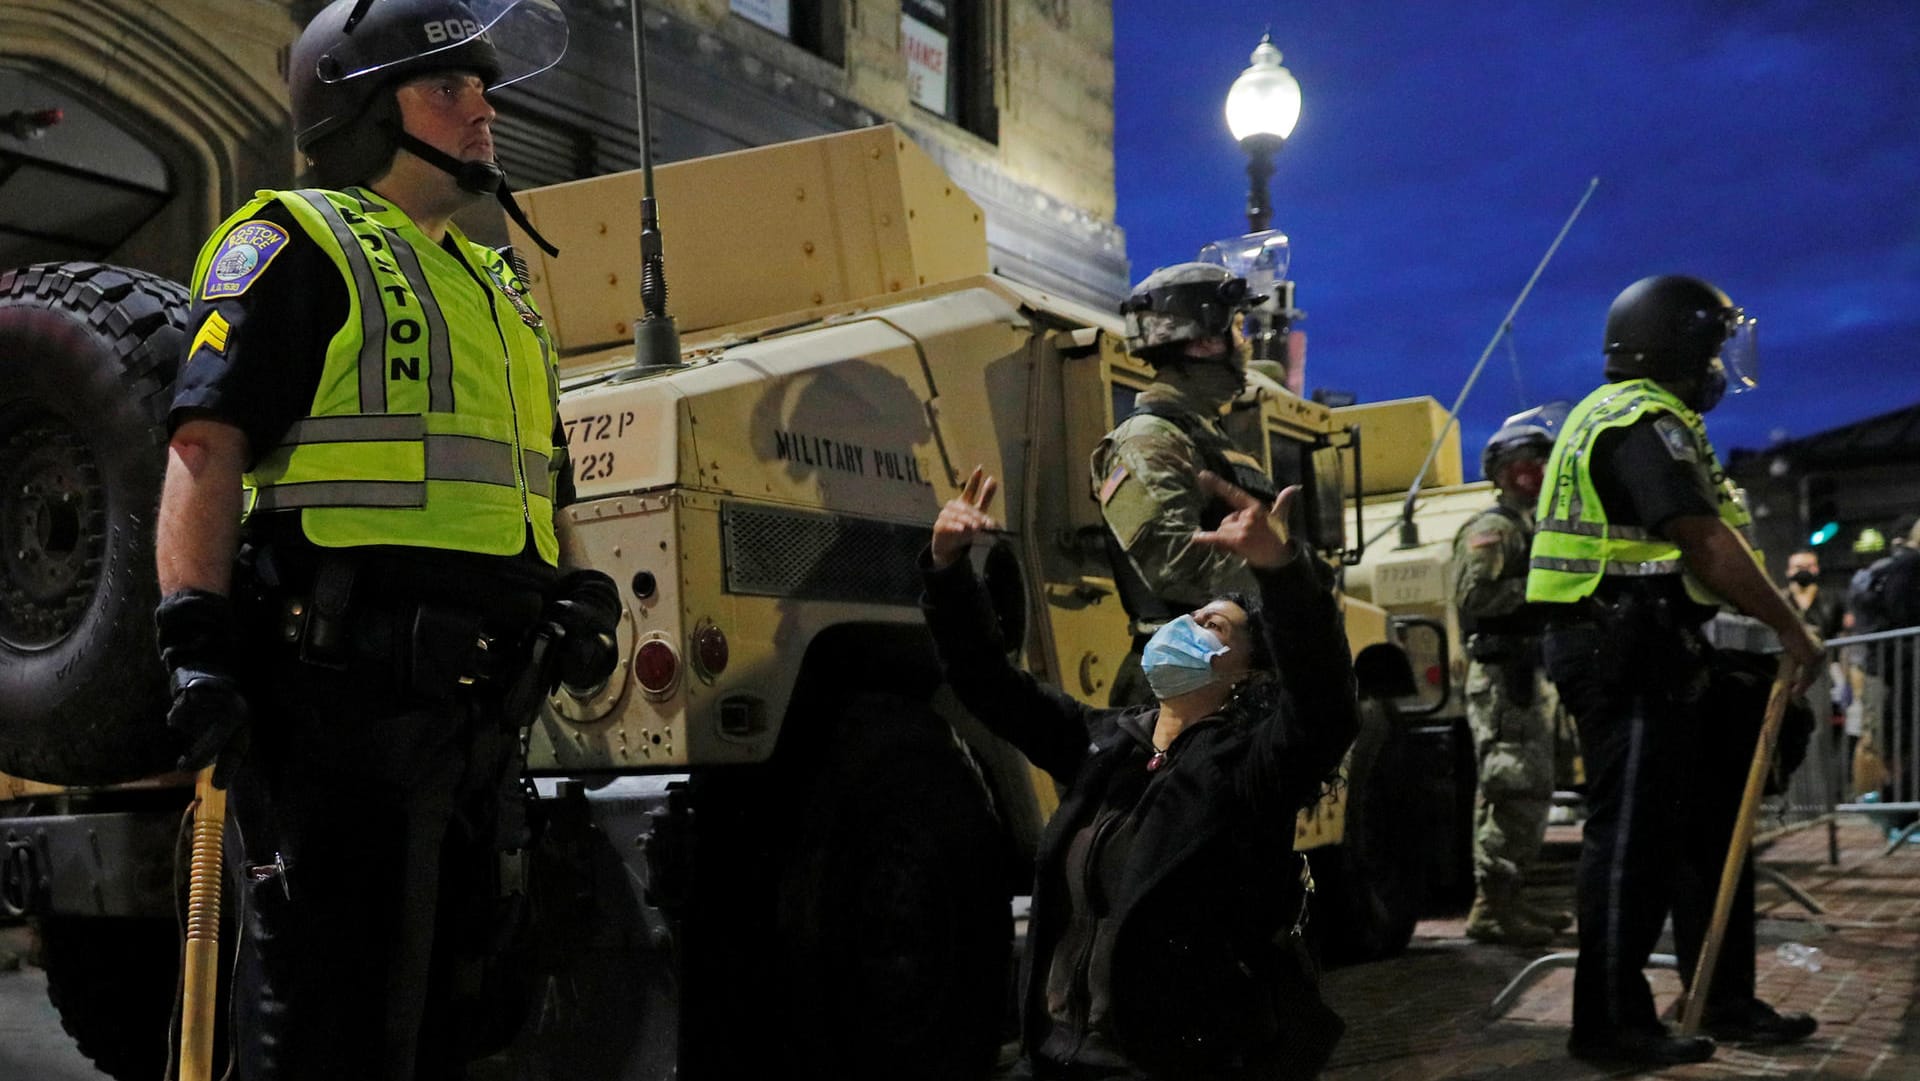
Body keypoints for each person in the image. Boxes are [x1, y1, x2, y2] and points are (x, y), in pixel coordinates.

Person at [152, 2, 618, 1077]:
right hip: (341, 716)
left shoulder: (497, 287)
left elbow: (547, 479)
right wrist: (193, 640)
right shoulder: (292, 246)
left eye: (483, 88)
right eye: (449, 88)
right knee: (336, 1031)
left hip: (481, 725)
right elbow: (205, 449)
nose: (483, 111)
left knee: (461, 1020)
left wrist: (582, 592)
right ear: (363, 111)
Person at [927, 467, 1357, 1081]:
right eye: (1187, 618)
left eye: (1211, 625)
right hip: (1052, 1059)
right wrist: (947, 571)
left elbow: (1325, 701)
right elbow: (984, 680)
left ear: (1250, 676)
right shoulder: (1101, 744)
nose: (1185, 628)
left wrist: (1280, 571)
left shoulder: (1250, 770)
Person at [1527, 274, 1824, 1067]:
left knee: (1704, 828)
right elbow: (1705, 541)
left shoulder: (1649, 419)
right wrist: (1794, 629)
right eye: (1715, 345)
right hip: (1620, 646)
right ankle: (1611, 1024)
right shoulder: (1638, 420)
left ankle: (1721, 997)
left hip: (1653, 642)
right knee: (1631, 840)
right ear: (1682, 347)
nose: (1723, 363)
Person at [1092, 262, 1279, 706]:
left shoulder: (1201, 437)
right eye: (1237, 326)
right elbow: (1175, 568)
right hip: (1189, 689)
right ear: (1204, 341)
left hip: (1232, 675)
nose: (1245, 342)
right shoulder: (1147, 441)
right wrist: (1279, 566)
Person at [1451, 403, 1573, 947]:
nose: (1538, 474)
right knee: (1509, 785)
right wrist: (1544, 589)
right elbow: (1474, 595)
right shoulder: (1494, 529)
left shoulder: (1529, 525)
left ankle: (1512, 898)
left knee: (1531, 788)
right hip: (1502, 674)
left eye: (1542, 463)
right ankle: (1491, 908)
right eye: (1526, 464)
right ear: (1502, 473)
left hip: (1524, 671)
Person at [1782, 549, 1844, 640]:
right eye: (1798, 567)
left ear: (1817, 569)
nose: (1804, 571)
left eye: (1809, 567)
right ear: (1788, 571)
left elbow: (1838, 632)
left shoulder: (1832, 599)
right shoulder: (1780, 599)